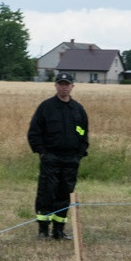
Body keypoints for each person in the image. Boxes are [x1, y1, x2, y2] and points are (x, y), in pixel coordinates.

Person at [26, 72, 89, 240]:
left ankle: (59, 231)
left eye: (67, 84)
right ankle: (43, 231)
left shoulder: (78, 109)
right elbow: (34, 133)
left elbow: (83, 133)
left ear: (72, 86)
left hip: (71, 160)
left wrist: (79, 154)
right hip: (51, 158)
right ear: (55, 85)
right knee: (47, 193)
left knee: (64, 195)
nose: (64, 87)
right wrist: (42, 153)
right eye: (61, 83)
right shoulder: (46, 107)